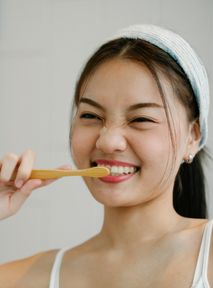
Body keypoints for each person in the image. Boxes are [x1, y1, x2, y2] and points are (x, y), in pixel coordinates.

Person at [0, 24, 212, 287]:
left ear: (192, 137)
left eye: (141, 118)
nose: (108, 141)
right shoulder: (25, 278)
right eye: (90, 115)